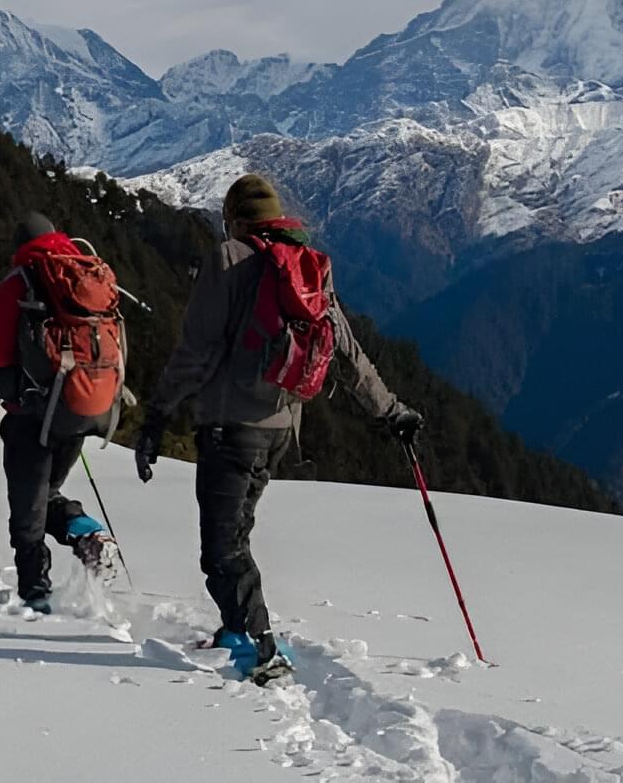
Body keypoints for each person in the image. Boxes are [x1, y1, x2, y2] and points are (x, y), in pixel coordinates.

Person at [137, 174, 423, 685]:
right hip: (280, 431)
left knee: (220, 548)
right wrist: (391, 411)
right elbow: (347, 353)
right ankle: (234, 629)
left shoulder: (229, 258)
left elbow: (195, 351)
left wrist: (157, 414)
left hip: (231, 426)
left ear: (235, 218)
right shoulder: (308, 266)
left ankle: (263, 647)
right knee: (237, 533)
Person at [0, 212, 121, 613]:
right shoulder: (86, 277)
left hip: (32, 416)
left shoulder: (23, 281)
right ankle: (84, 532)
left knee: (27, 515)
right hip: (81, 409)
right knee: (45, 494)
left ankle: (36, 596)